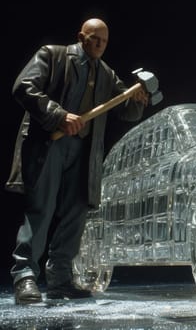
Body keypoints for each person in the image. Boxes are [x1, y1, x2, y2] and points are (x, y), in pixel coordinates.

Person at [6, 18, 150, 305]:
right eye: (94, 39)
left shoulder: (106, 73)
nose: (99, 45)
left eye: (104, 41)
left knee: (75, 214)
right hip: (51, 144)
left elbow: (124, 110)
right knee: (41, 210)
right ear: (81, 37)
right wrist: (59, 115)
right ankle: (24, 276)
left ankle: (60, 279)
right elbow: (23, 87)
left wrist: (137, 99)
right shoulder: (53, 54)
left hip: (83, 152)